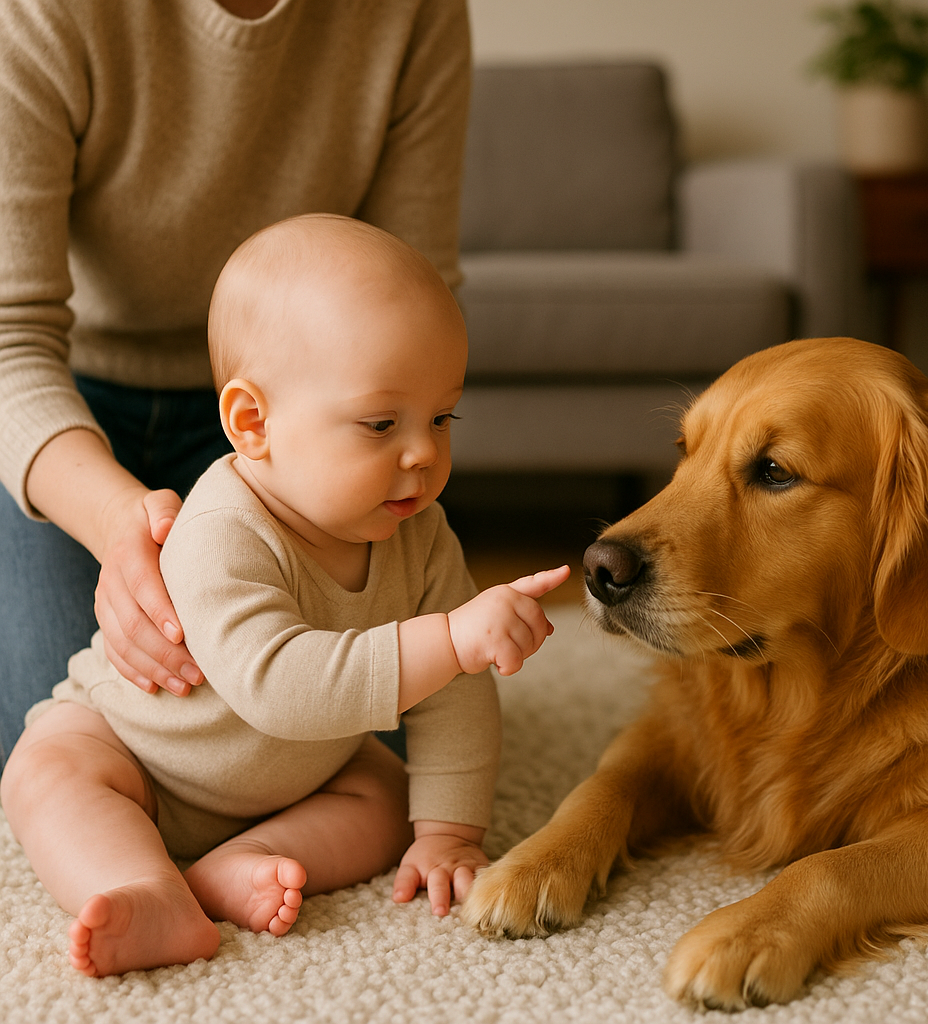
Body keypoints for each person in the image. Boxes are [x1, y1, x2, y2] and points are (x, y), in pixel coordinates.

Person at [0, 214, 571, 978]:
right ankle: (143, 887)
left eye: (441, 418)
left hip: (299, 777)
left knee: (382, 795)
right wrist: (454, 640)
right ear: (253, 422)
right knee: (43, 772)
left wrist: (448, 832)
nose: (424, 453)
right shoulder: (220, 529)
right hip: (143, 757)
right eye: (381, 423)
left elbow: (454, 696)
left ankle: (244, 861)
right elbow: (280, 687)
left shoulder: (422, 535)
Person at [0, 0, 472, 763]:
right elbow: (7, 336)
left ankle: (248, 864)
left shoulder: (413, 15)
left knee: (368, 728)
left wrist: (381, 430)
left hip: (305, 424)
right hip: (68, 408)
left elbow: (417, 309)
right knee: (60, 727)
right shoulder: (45, 13)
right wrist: (117, 520)